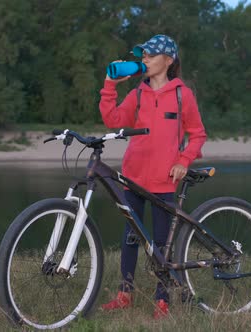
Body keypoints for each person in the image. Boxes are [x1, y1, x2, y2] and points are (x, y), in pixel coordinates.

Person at [98, 34, 207, 319]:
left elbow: (197, 134)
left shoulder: (184, 95)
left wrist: (184, 160)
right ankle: (125, 294)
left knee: (161, 242)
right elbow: (113, 121)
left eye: (150, 54)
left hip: (164, 180)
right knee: (131, 237)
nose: (143, 59)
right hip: (133, 176)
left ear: (168, 60)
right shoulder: (137, 94)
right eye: (142, 54)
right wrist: (110, 86)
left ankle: (162, 299)